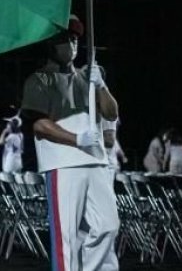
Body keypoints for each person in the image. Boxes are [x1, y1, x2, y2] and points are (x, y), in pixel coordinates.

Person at [21, 18, 120, 271]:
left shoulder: (89, 76)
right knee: (67, 236)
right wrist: (76, 139)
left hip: (96, 160)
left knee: (108, 225)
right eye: (65, 39)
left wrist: (100, 85)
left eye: (74, 39)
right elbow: (39, 124)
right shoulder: (39, 80)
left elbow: (111, 113)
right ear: (50, 44)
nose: (72, 44)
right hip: (62, 163)